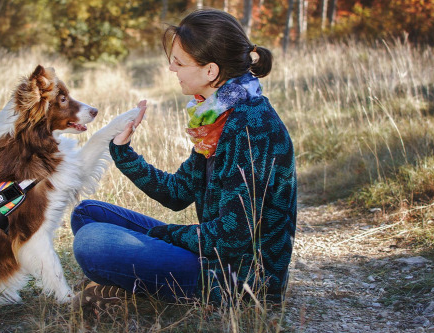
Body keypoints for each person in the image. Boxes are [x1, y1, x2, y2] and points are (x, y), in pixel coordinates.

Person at [70, 8, 297, 309]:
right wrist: (123, 153)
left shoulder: (251, 127)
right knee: (86, 214)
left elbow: (232, 238)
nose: (171, 68)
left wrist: (161, 235)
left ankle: (137, 293)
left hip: (237, 277)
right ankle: (130, 285)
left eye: (179, 62)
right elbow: (177, 193)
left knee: (92, 242)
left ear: (210, 71)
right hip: (212, 253)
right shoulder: (216, 116)